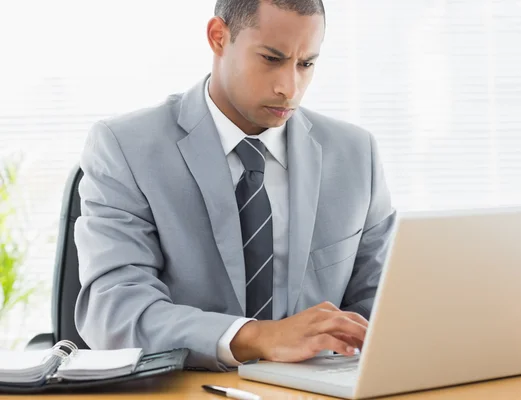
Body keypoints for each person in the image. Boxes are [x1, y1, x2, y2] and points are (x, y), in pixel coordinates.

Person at [74, 0, 397, 372]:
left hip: (318, 388)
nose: (289, 88)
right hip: (188, 389)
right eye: (271, 58)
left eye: (306, 64)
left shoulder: (356, 154)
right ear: (218, 37)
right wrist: (257, 337)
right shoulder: (125, 147)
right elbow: (114, 312)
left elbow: (382, 303)